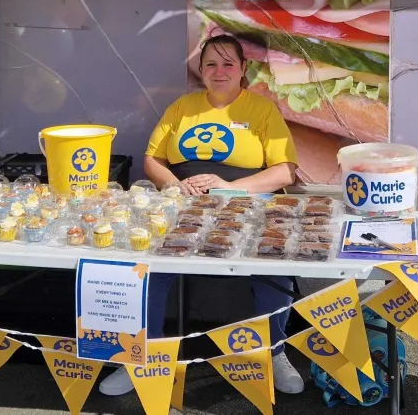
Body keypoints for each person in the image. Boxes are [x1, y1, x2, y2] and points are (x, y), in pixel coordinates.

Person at [98, 34, 305, 397]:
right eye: (211, 63)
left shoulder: (262, 109)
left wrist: (231, 187)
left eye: (228, 63)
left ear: (243, 69)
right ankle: (139, 358)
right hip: (183, 210)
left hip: (246, 210)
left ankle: (274, 353)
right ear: (201, 69)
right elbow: (152, 160)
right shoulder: (182, 107)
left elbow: (285, 171)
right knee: (144, 268)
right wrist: (176, 186)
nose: (219, 71)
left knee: (274, 270)